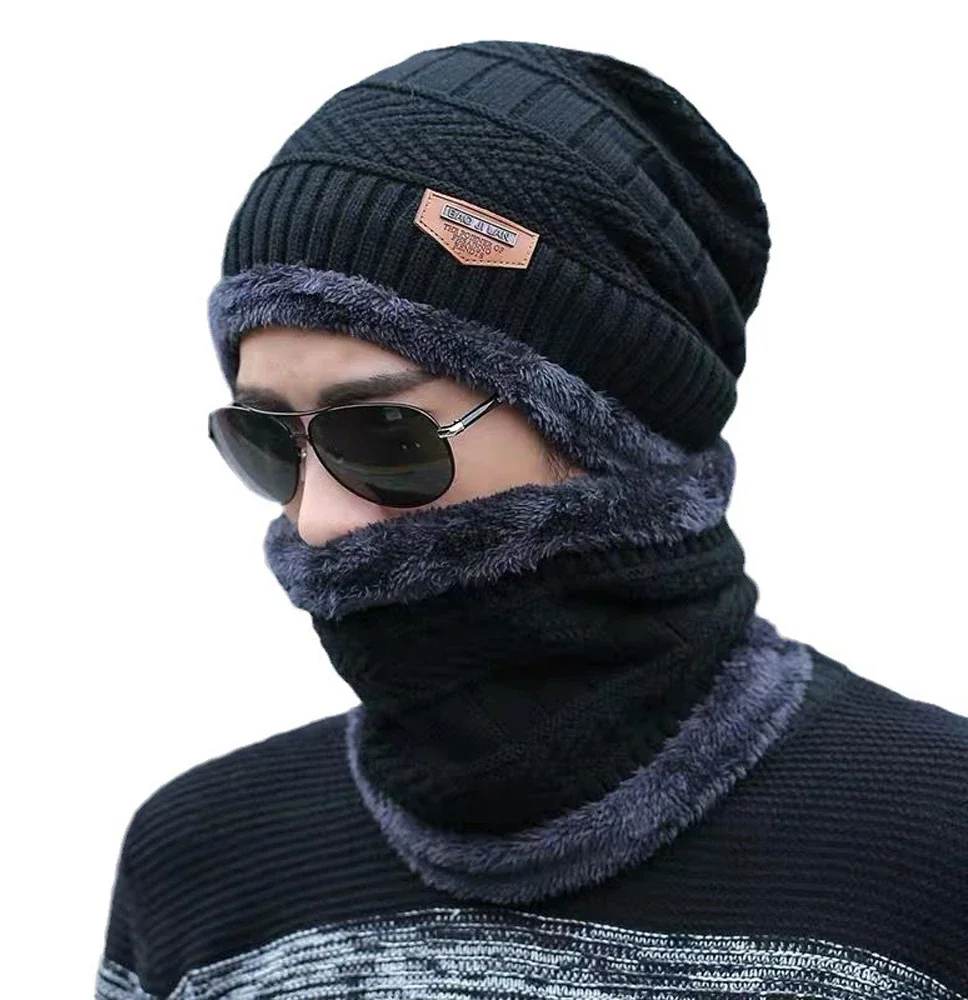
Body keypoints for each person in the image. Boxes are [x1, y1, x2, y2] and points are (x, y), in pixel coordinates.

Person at [94, 39, 968, 998]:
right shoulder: (200, 862)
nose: (319, 522)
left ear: (608, 430)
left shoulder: (937, 841)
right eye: (267, 442)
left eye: (384, 435)